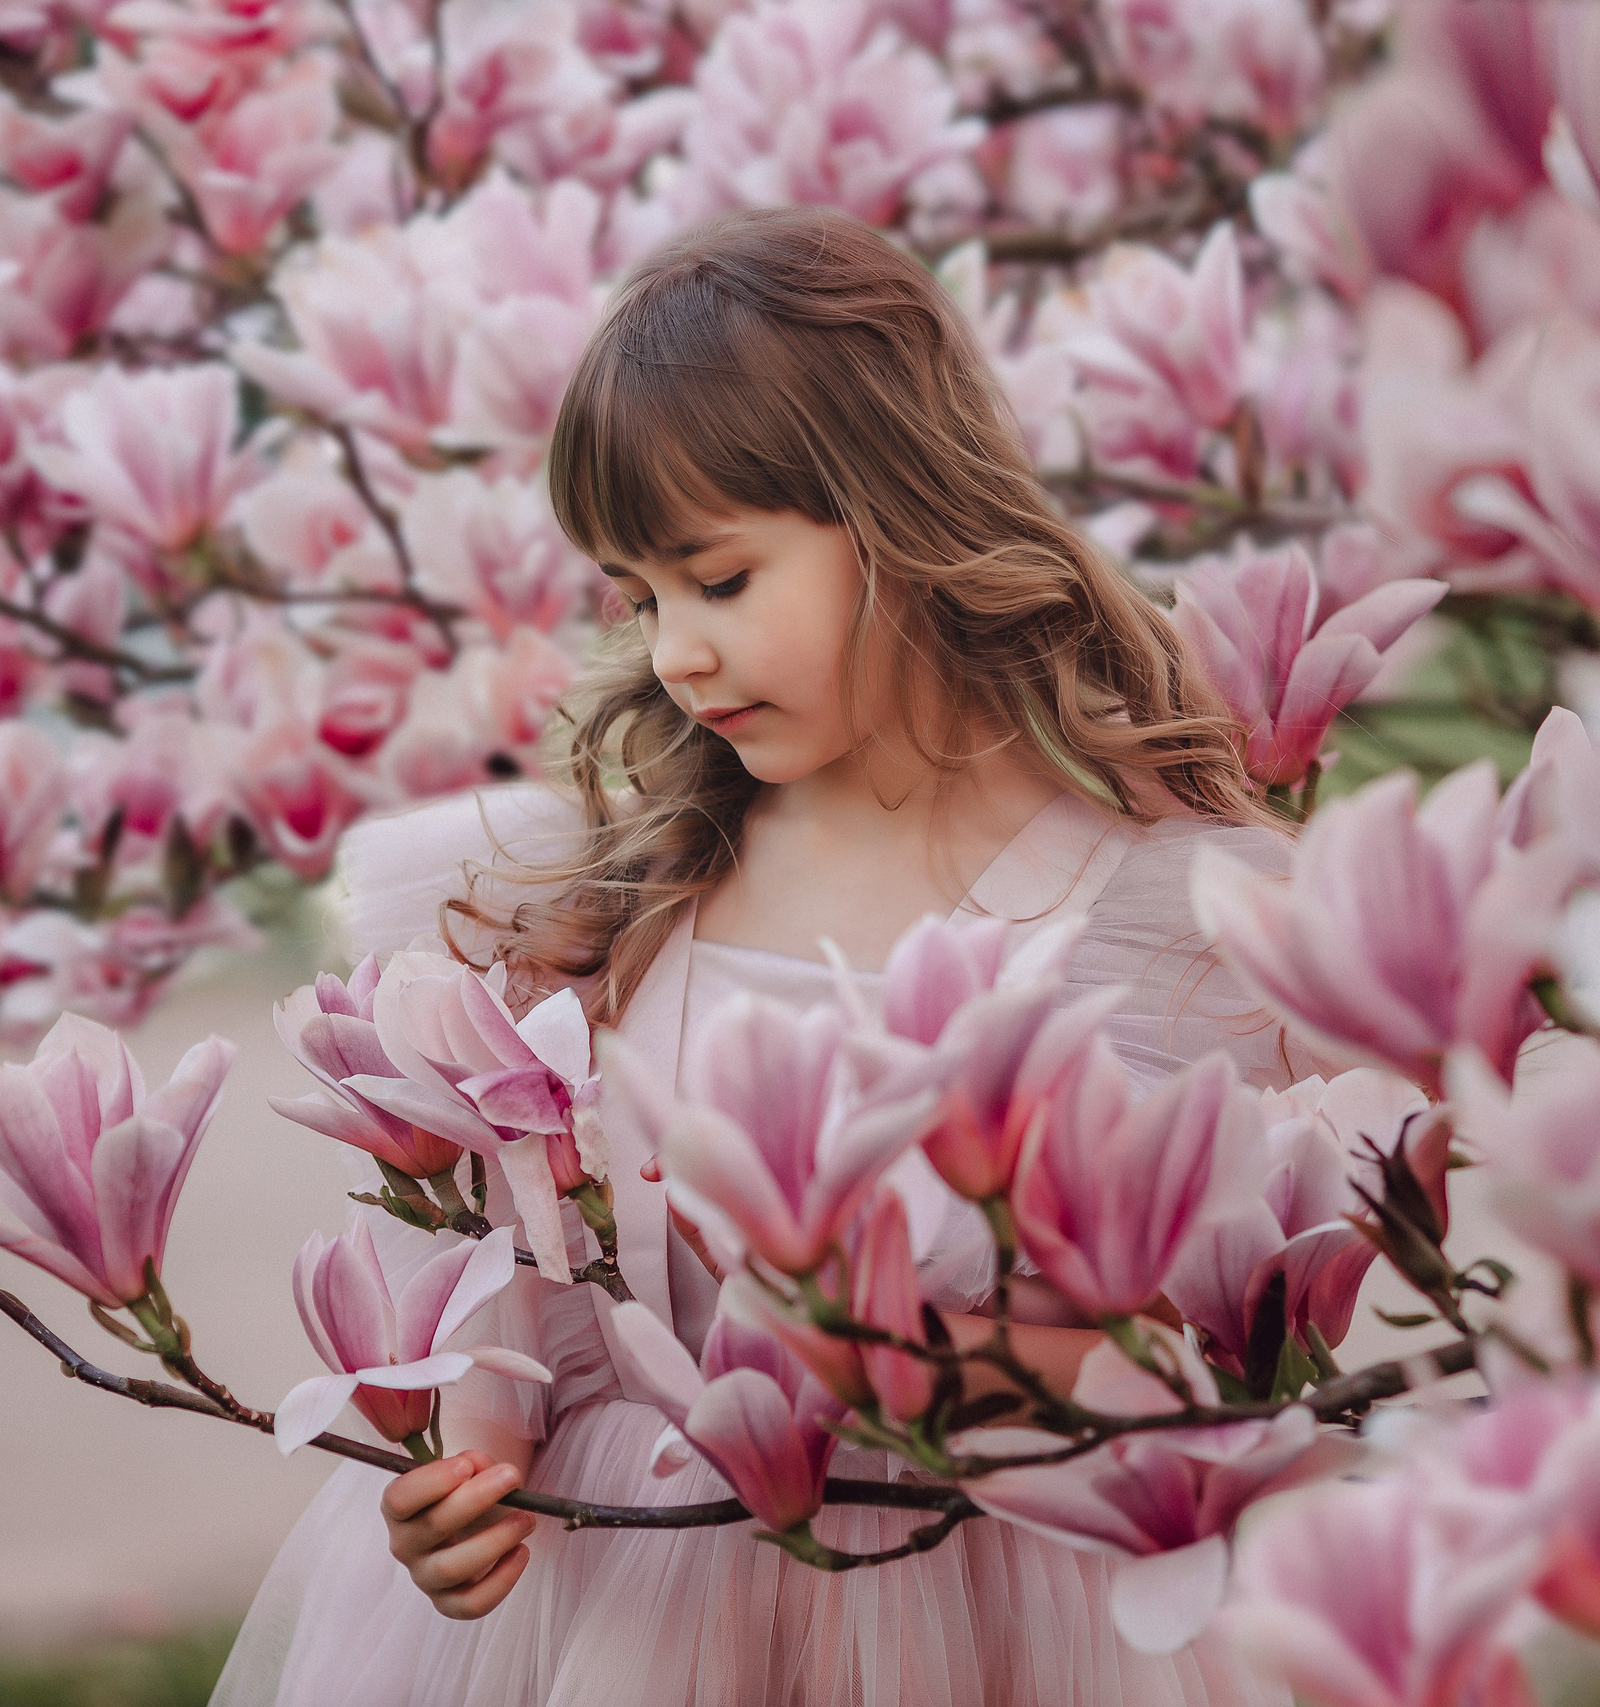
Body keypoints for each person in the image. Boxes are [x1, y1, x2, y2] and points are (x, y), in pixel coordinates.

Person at [213, 205, 1298, 1707]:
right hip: (627, 1616)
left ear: (903, 520)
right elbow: (524, 1283)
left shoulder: (1144, 938)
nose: (675, 655)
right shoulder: (603, 902)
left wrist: (916, 1360)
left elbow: (1217, 1394)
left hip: (992, 1628)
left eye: (720, 581)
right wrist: (472, 1474)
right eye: (640, 596)